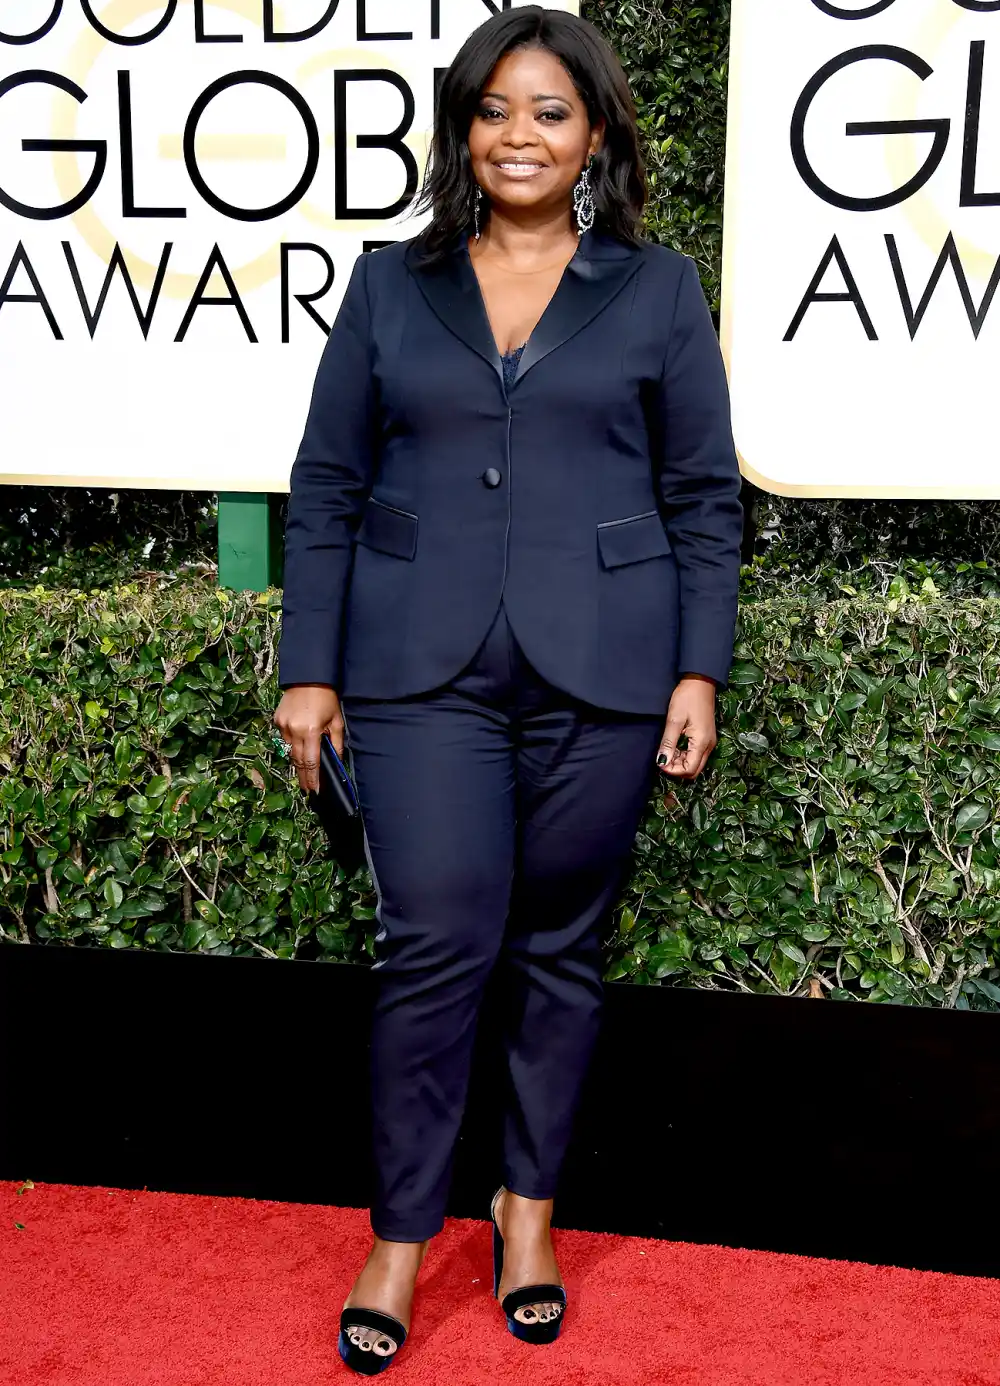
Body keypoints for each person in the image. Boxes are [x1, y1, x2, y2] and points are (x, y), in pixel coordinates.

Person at [273, 5, 743, 1374]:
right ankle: (403, 1235)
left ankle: (526, 1212)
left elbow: (704, 497)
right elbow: (326, 484)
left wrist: (696, 665)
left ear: (595, 131)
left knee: (558, 951)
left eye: (549, 110)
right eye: (493, 109)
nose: (518, 135)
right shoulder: (387, 283)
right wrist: (310, 667)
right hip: (416, 668)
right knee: (434, 947)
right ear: (462, 130)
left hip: (605, 661)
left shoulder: (657, 289)